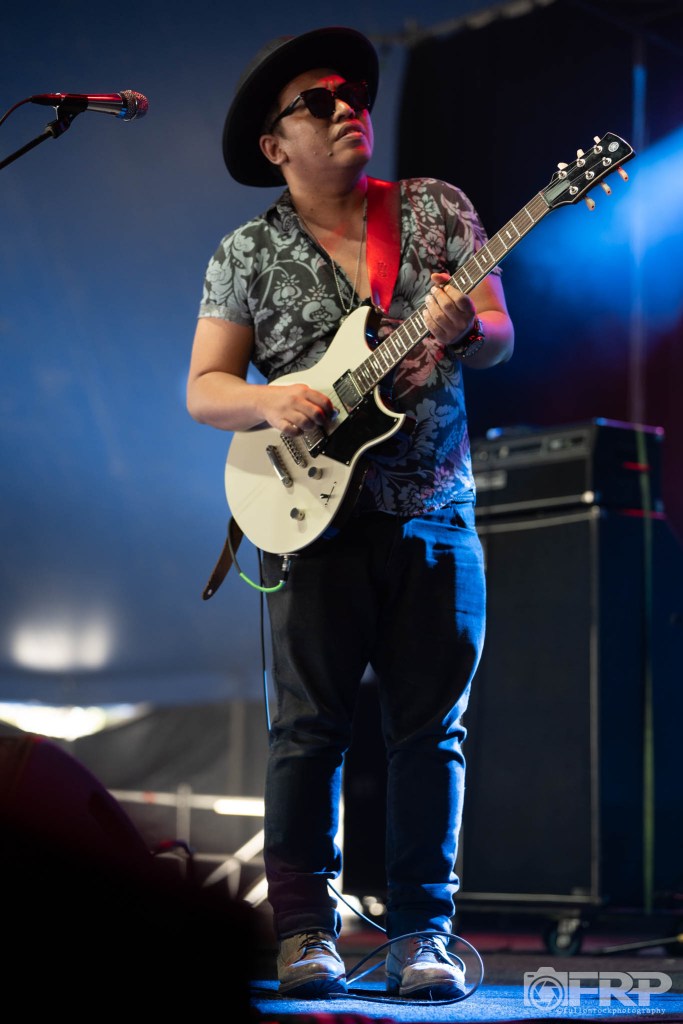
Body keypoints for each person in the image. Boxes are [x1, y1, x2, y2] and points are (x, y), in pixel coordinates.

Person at [186, 26, 514, 1000]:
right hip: (305, 519)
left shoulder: (435, 210)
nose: (345, 108)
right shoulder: (246, 252)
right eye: (317, 102)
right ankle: (303, 935)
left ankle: (423, 935)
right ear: (272, 145)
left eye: (351, 94)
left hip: (433, 508)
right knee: (306, 732)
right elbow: (205, 389)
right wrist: (270, 401)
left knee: (431, 732)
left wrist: (465, 328)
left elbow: (499, 332)